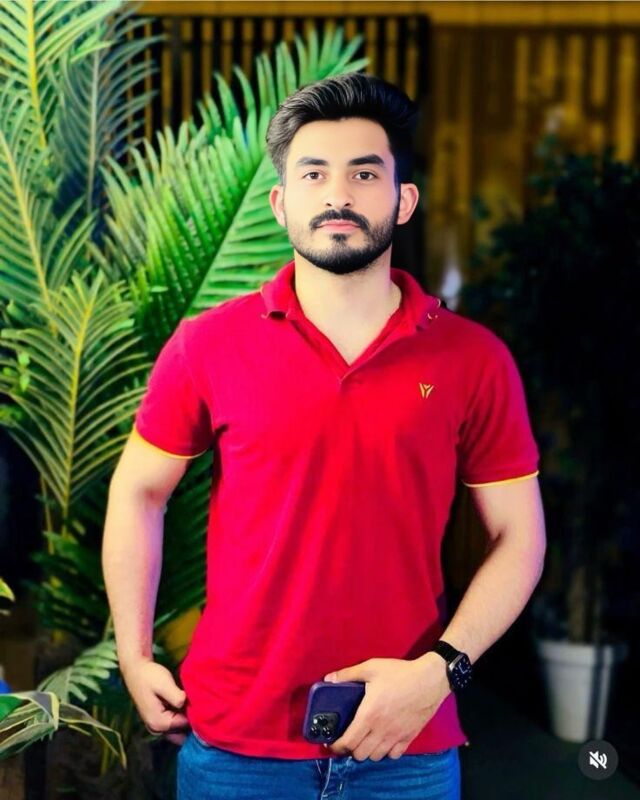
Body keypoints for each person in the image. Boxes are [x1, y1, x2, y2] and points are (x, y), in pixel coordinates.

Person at [102, 72, 546, 800]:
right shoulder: (207, 345)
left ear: (403, 201)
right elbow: (139, 492)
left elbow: (519, 536)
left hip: (406, 744)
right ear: (282, 202)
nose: (338, 194)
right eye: (314, 174)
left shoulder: (473, 359)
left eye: (364, 174)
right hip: (235, 746)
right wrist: (133, 652)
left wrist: (440, 672)